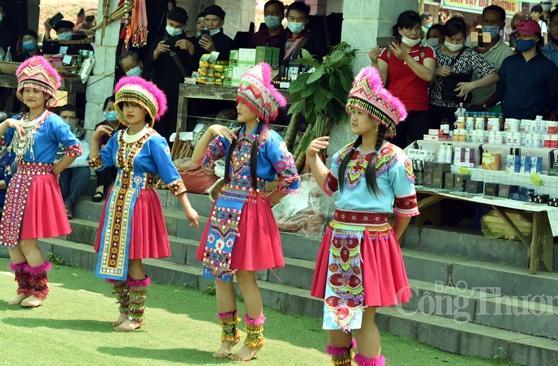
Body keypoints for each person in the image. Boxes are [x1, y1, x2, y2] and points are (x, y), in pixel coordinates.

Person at [306, 66, 418, 366]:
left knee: (364, 318)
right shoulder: (344, 155)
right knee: (336, 312)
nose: (353, 117)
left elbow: (406, 208)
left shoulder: (395, 158)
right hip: (340, 236)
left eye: (359, 112)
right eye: (351, 111)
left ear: (377, 119)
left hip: (373, 241)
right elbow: (330, 186)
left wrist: (390, 240)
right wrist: (310, 158)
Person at [191, 63, 300, 361]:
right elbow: (196, 160)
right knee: (220, 275)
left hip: (250, 211)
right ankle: (228, 336)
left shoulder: (270, 140)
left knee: (245, 278)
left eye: (243, 101)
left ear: (257, 106)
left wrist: (267, 200)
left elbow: (291, 179)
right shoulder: (230, 134)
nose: (238, 106)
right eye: (238, 100)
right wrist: (212, 130)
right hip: (224, 207)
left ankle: (254, 340)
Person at [89, 76, 200, 331]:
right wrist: (95, 140)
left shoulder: (154, 140)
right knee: (114, 255)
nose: (129, 110)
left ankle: (136, 316)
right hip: (116, 199)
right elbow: (98, 165)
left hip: (141, 201)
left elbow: (171, 174)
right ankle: (124, 310)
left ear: (147, 110)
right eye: (125, 104)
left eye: (135, 105)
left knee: (134, 259)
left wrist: (188, 206)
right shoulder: (117, 137)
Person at [0, 56, 82, 308]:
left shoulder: (53, 121)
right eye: (26, 90)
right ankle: (23, 288)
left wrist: (54, 171)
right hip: (19, 181)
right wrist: (6, 122)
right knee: (12, 241)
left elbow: (74, 148)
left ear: (46, 94)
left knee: (27, 241)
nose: (29, 95)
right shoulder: (18, 119)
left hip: (39, 183)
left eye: (35, 91)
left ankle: (39, 290)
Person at [370, 10, 436, 148]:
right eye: (409, 28)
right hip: (393, 111)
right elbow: (379, 85)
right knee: (392, 154)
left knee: (424, 152)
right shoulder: (388, 52)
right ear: (400, 30)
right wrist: (374, 62)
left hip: (419, 110)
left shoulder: (427, 50)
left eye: (417, 28)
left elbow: (428, 76)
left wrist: (406, 57)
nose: (414, 33)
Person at [428, 17, 498, 129]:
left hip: (458, 111)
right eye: (450, 39)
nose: (454, 43)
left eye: (459, 40)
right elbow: (423, 79)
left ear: (465, 38)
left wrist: (472, 85)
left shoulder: (469, 55)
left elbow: (494, 76)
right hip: (433, 108)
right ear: (444, 36)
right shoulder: (434, 51)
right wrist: (435, 71)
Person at [143, 7, 199, 137]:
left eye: (178, 26)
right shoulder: (158, 41)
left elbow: (197, 67)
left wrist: (191, 49)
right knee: (159, 133)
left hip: (181, 97)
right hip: (161, 96)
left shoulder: (190, 41)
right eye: (171, 24)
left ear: (184, 26)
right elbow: (147, 67)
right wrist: (156, 52)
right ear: (167, 21)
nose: (173, 28)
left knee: (177, 136)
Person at [496, 20, 558, 120]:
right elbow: (500, 91)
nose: (521, 39)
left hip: (534, 124)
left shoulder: (548, 67)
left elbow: (552, 98)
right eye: (519, 36)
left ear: (537, 38)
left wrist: (538, 112)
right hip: (509, 121)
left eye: (526, 35)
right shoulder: (508, 63)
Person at [469, 5, 514, 113]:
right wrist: (474, 50)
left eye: (494, 22)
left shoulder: (507, 54)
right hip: (463, 105)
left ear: (502, 25)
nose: (489, 25)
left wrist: (483, 106)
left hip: (488, 110)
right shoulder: (471, 40)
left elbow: (504, 87)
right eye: (486, 21)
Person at [57, 105, 91, 219]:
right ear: (57, 118)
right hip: (55, 175)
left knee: (84, 171)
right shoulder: (49, 137)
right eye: (64, 117)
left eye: (71, 118)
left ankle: (68, 205)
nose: (68, 120)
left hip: (67, 172)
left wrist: (62, 163)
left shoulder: (80, 141)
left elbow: (87, 160)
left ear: (76, 121)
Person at [92, 96, 125, 202]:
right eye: (109, 109)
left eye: (115, 109)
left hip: (121, 161)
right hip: (105, 161)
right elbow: (99, 146)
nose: (112, 112)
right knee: (104, 155)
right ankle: (100, 186)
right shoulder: (100, 126)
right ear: (104, 110)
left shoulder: (125, 126)